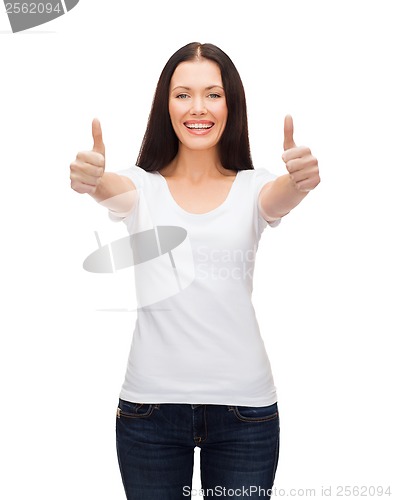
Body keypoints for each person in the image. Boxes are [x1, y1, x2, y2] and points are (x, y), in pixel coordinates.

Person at [70, 42, 320, 499]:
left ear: (232, 105)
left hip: (245, 413)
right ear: (165, 105)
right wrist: (91, 181)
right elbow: (109, 188)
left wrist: (299, 182)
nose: (198, 108)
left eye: (213, 94)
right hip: (149, 414)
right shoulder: (140, 188)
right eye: (183, 94)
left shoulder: (255, 187)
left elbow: (280, 194)